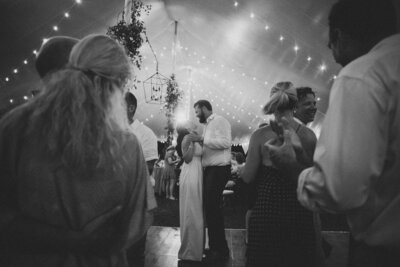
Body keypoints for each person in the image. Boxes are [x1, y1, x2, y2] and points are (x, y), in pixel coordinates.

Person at [0, 34, 155, 267]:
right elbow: (136, 224)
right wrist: (85, 240)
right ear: (111, 86)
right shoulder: (126, 144)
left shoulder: (15, 126)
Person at [264, 1, 400, 266]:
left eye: (331, 38)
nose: (329, 48)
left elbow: (340, 190)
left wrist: (291, 167)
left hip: (384, 251)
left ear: (339, 35)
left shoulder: (363, 75)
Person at [241, 81, 317, 267]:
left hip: (267, 210)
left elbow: (248, 177)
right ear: (294, 103)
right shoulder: (308, 136)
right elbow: (311, 178)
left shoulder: (259, 136)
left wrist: (242, 168)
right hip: (299, 212)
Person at [189, 99, 232, 262]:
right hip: (211, 170)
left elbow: (226, 143)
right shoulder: (207, 125)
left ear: (205, 108)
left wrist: (202, 139)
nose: (196, 114)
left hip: (219, 169)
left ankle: (220, 250)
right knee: (211, 208)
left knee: (212, 208)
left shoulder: (220, 121)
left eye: (197, 111)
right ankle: (216, 246)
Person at [124, 92, 158, 267]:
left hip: (137, 196)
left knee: (135, 252)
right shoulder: (110, 131)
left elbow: (149, 166)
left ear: (131, 108)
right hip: (115, 199)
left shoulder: (145, 133)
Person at [177, 123, 205, 263]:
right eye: (192, 126)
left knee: (198, 210)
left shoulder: (202, 138)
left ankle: (198, 249)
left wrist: (200, 140)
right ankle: (189, 251)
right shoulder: (186, 138)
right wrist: (192, 144)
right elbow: (187, 159)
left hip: (200, 172)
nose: (195, 128)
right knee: (190, 209)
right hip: (190, 173)